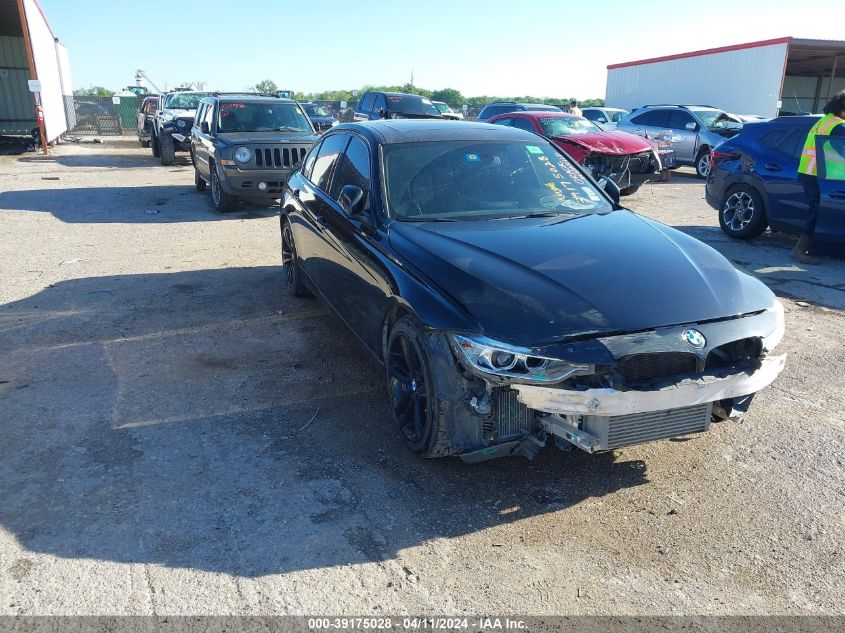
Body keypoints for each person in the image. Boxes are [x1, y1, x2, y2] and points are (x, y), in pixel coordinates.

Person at [793, 90, 845, 263]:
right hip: (817, 173)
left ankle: (811, 247)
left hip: (809, 172)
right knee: (816, 210)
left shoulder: (824, 121)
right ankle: (800, 250)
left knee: (817, 210)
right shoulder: (837, 125)